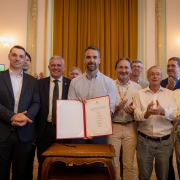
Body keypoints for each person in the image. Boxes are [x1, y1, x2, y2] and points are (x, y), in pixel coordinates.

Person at [0, 45, 40, 179]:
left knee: (21, 173)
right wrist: (13, 116)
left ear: (25, 60)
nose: (17, 59)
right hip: (2, 133)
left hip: (25, 134)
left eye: (21, 56)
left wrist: (26, 118)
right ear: (9, 56)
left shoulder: (33, 81)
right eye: (14, 55)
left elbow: (36, 103)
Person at [133, 66, 176, 180]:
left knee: (163, 176)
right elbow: (136, 114)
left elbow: (174, 114)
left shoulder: (169, 94)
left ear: (161, 77)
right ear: (147, 77)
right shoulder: (139, 94)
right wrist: (146, 114)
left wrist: (163, 111)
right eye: (152, 74)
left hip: (164, 142)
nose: (155, 76)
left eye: (158, 74)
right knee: (143, 176)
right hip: (144, 141)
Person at [68, 45, 116, 144]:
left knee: (98, 159)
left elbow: (110, 110)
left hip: (99, 131)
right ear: (84, 60)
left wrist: (92, 128)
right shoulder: (74, 82)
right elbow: (70, 107)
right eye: (88, 57)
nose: (91, 60)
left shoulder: (109, 82)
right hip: (78, 130)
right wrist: (75, 103)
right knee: (77, 159)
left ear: (99, 60)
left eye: (94, 57)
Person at [36, 55, 71, 179]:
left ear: (64, 68)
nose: (56, 67)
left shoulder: (71, 84)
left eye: (59, 65)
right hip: (45, 129)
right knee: (43, 163)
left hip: (64, 131)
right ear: (48, 67)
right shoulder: (39, 84)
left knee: (62, 165)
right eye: (53, 65)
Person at [107, 57, 141, 179]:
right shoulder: (109, 84)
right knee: (112, 163)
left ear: (131, 70)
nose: (123, 70)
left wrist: (132, 112)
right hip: (113, 127)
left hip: (130, 127)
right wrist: (115, 108)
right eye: (120, 67)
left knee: (128, 164)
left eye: (126, 67)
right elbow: (104, 108)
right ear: (116, 69)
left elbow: (139, 109)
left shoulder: (137, 87)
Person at [160, 57, 180, 180]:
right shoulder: (161, 83)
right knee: (166, 158)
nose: (170, 68)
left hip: (179, 126)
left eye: (173, 65)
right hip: (164, 125)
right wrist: (168, 91)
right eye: (168, 66)